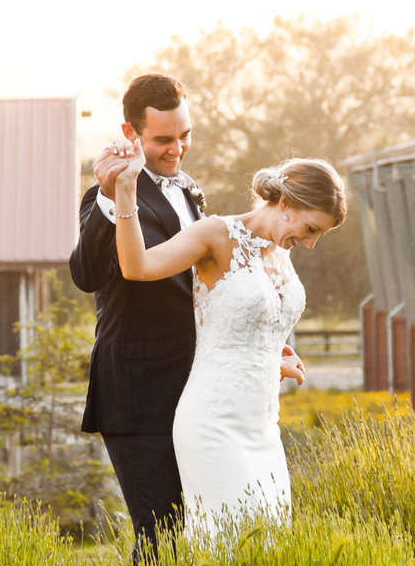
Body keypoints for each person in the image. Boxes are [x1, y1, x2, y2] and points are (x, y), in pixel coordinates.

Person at [107, 144, 345, 542]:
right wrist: (125, 191)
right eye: (311, 230)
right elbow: (137, 267)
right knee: (226, 549)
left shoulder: (278, 252)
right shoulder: (215, 235)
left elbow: (247, 329)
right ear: (286, 202)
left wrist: (271, 359)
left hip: (263, 427)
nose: (311, 244)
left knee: (269, 549)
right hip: (213, 423)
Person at [69, 73, 205, 566]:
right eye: (163, 140)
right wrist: (109, 197)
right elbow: (85, 275)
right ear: (131, 133)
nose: (178, 149)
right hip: (136, 393)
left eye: (185, 135)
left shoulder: (189, 193)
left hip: (194, 390)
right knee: (160, 536)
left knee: (199, 527)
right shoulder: (101, 199)